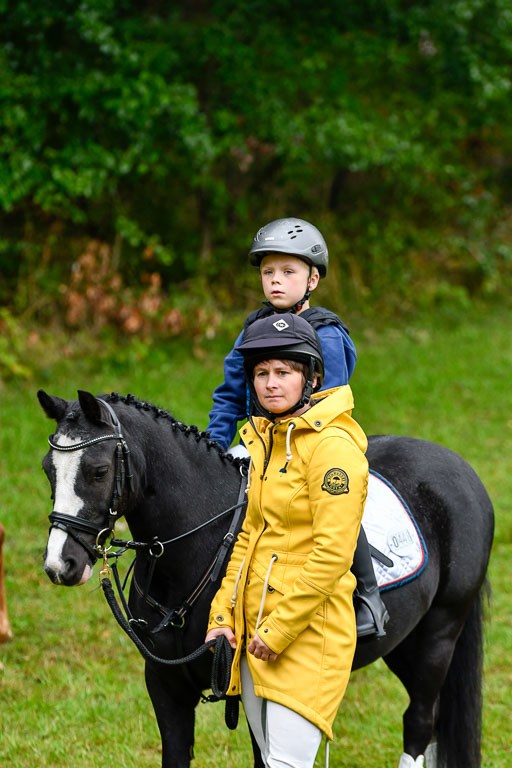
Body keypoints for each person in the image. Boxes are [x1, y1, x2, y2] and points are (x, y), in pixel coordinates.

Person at [207, 217, 388, 638]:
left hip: (310, 446)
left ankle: (368, 595)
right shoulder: (252, 329)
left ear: (313, 280)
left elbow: (332, 400)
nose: (276, 281)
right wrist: (214, 447)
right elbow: (230, 394)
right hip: (258, 443)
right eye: (268, 271)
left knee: (337, 503)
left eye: (288, 272)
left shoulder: (325, 331)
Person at [205, 313, 369, 768]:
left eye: (283, 372)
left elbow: (333, 556)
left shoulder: (333, 449)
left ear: (311, 377)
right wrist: (222, 615)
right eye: (261, 374)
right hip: (253, 637)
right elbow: (247, 539)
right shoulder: (264, 442)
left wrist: (277, 631)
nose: (270, 384)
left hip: (307, 635)